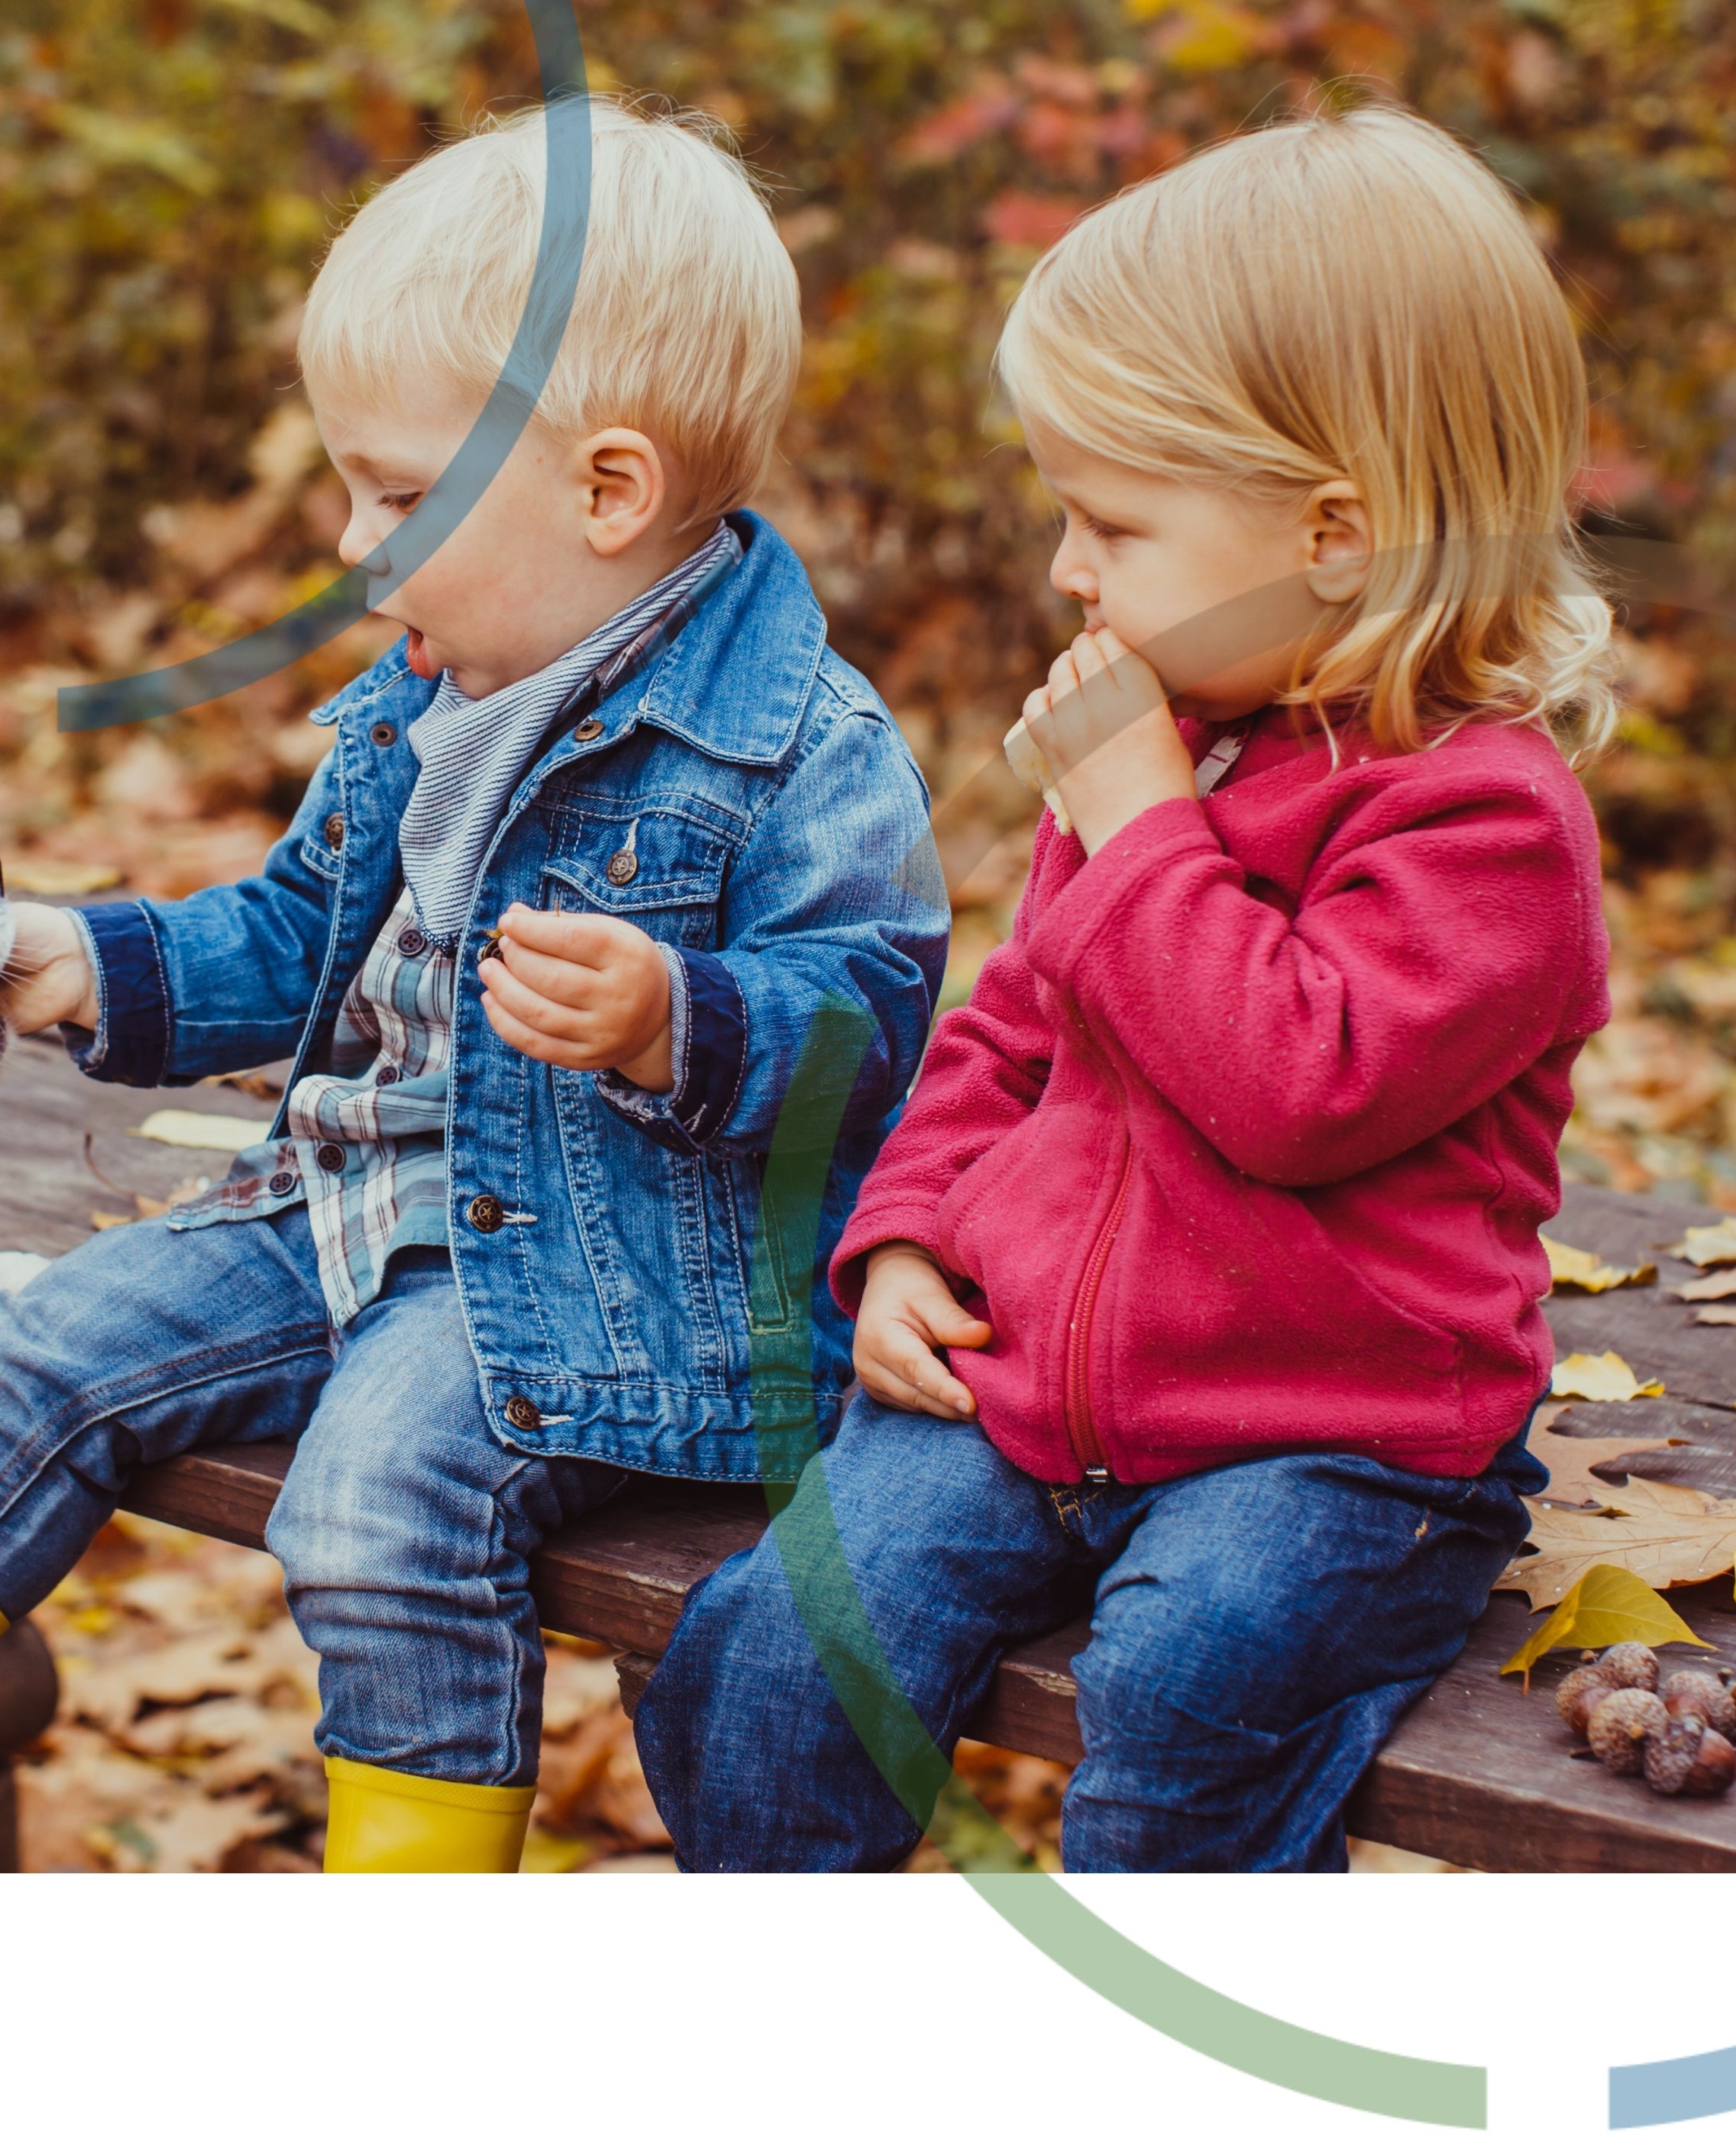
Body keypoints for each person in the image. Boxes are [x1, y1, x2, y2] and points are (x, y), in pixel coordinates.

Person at [0, 94, 946, 1873]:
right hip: (345, 1209)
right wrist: (85, 960)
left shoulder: (797, 745)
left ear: (610, 490)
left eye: (400, 494)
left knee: (378, 1496)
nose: (351, 540)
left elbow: (874, 1029)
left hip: (590, 1292)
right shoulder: (430, 700)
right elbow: (290, 942)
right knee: (50, 1346)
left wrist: (678, 1018)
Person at [635, 100, 1614, 1872]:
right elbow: (1015, 1028)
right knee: (777, 1648)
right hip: (1038, 1397)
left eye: (1115, 523)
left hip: (1336, 1444)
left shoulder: (1490, 827)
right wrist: (913, 1235)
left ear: (1335, 531)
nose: (1067, 572)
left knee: (1191, 1691)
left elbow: (1301, 1086)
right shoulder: (1182, 758)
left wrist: (1145, 821)